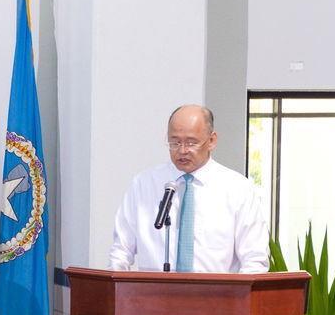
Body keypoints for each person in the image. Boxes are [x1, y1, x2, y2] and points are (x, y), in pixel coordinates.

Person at [109, 104, 270, 274]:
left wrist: (236, 298)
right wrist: (118, 290)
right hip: (152, 296)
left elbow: (254, 259)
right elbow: (121, 250)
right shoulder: (144, 184)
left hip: (217, 297)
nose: (182, 151)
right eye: (175, 142)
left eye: (191, 143)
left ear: (212, 141)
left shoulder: (238, 188)